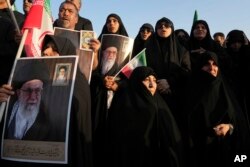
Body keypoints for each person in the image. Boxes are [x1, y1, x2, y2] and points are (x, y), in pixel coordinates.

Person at [0, 34, 93, 167]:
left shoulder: (78, 83)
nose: (46, 52)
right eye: (46, 47)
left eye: (54, 49)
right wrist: (4, 99)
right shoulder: (26, 76)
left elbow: (76, 126)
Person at [181, 51, 250, 167]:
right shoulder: (190, 92)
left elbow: (239, 122)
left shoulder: (226, 90)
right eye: (207, 64)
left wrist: (229, 127)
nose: (211, 68)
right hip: (198, 151)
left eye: (215, 64)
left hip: (226, 149)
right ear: (200, 67)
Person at [105, 66, 184, 167]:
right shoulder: (123, 106)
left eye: (154, 80)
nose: (152, 84)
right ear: (136, 83)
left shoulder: (160, 104)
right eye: (146, 80)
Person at [4, 61, 51, 141]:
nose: (32, 97)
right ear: (19, 93)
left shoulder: (47, 120)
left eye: (37, 91)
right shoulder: (5, 109)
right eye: (28, 90)